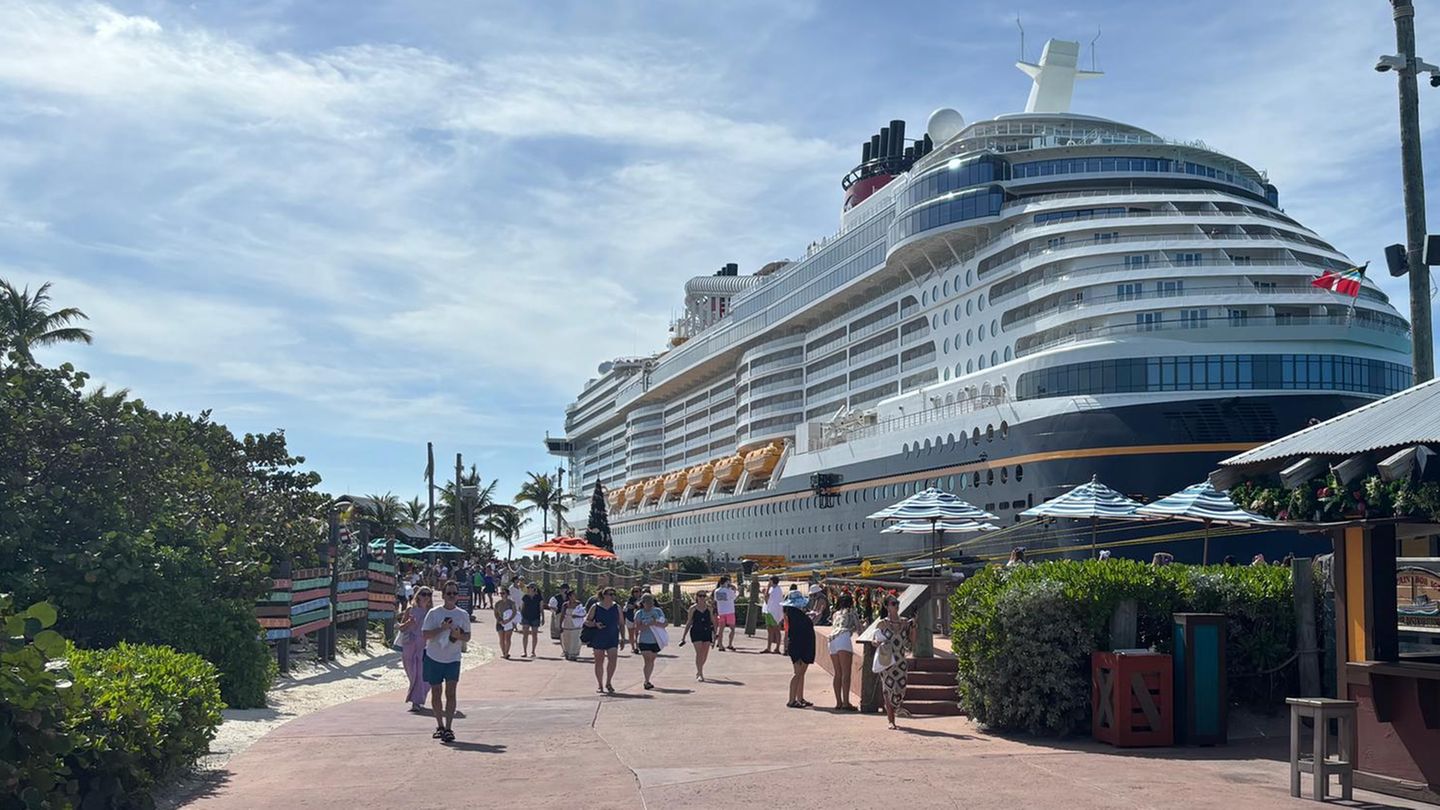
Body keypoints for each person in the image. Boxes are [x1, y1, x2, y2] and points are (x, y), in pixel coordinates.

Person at [421, 582, 471, 742]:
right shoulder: (434, 613)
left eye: (454, 593)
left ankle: (449, 728)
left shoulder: (463, 615)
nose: (451, 596)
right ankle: (439, 726)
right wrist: (442, 628)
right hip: (434, 657)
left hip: (453, 658)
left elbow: (468, 636)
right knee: (436, 692)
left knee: (451, 692)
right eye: (448, 593)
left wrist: (458, 636)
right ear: (443, 595)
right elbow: (425, 635)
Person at [874, 595, 916, 730]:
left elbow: (912, 642)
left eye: (897, 603)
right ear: (887, 606)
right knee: (887, 689)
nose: (896, 606)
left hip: (901, 661)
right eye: (893, 603)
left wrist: (914, 627)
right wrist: (878, 642)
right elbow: (874, 641)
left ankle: (896, 708)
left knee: (901, 689)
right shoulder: (882, 624)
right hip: (887, 661)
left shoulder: (904, 623)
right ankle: (891, 720)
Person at [398, 586, 432, 712]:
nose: (426, 597)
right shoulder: (410, 609)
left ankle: (416, 702)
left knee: (421, 675)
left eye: (428, 594)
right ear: (418, 595)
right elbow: (401, 628)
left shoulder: (431, 612)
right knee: (412, 674)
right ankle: (416, 698)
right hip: (409, 644)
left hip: (424, 646)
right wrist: (409, 623)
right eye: (423, 594)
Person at [585, 587, 622, 693]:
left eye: (614, 594)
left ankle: (608, 682)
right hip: (598, 636)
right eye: (610, 594)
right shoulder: (595, 607)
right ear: (604, 595)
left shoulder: (617, 607)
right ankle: (600, 685)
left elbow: (621, 623)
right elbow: (587, 621)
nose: (612, 596)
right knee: (599, 661)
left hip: (612, 636)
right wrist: (595, 624)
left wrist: (623, 637)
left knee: (613, 659)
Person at [782, 589, 815, 708]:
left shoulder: (793, 614)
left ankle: (799, 698)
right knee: (798, 673)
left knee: (801, 674)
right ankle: (791, 700)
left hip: (799, 646)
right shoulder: (797, 616)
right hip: (799, 647)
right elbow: (799, 633)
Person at [827, 592, 859, 711]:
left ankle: (839, 702)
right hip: (844, 637)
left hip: (832, 639)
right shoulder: (852, 612)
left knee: (837, 673)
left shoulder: (835, 614)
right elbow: (859, 629)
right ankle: (846, 702)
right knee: (846, 673)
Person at [632, 593, 667, 690]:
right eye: (647, 602)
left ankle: (648, 678)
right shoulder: (639, 613)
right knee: (647, 660)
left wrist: (656, 622)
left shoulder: (658, 611)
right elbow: (637, 628)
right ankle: (646, 681)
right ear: (642, 603)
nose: (649, 604)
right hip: (644, 640)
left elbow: (664, 623)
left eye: (651, 601)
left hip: (656, 640)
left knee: (651, 660)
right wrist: (648, 624)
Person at [679, 590, 715, 682]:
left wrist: (715, 633)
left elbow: (713, 621)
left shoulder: (709, 608)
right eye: (700, 596)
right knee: (699, 653)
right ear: (697, 597)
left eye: (704, 596)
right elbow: (689, 622)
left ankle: (699, 669)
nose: (702, 598)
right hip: (696, 631)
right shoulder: (693, 608)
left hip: (707, 631)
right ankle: (700, 673)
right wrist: (683, 637)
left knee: (705, 653)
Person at [712, 575, 739, 651]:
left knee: (721, 629)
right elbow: (734, 597)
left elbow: (716, 600)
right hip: (730, 611)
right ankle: (730, 644)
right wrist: (734, 590)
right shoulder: (729, 591)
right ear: (726, 582)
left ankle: (720, 645)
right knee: (732, 629)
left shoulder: (716, 591)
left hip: (721, 611)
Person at [492, 587, 518, 660]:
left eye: (503, 593)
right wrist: (499, 620)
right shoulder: (498, 603)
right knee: (501, 638)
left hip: (508, 622)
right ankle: (503, 652)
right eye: (501, 593)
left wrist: (509, 620)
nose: (501, 595)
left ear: (507, 594)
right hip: (500, 622)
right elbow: (496, 613)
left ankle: (507, 653)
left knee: (508, 638)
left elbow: (514, 612)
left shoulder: (511, 603)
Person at [519, 582, 544, 657]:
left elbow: (541, 609)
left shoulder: (539, 598)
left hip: (535, 617)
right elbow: (522, 607)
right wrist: (521, 617)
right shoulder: (525, 597)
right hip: (526, 616)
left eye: (530, 587)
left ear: (534, 588)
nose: (529, 589)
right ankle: (524, 651)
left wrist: (543, 618)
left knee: (534, 634)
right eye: (528, 588)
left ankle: (533, 651)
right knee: (525, 634)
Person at [762, 575, 784, 654]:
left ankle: (777, 648)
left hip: (773, 612)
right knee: (770, 630)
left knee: (776, 630)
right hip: (770, 611)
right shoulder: (775, 589)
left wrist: (766, 590)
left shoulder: (775, 590)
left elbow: (767, 599)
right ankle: (769, 647)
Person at [623, 586, 641, 653]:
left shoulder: (642, 599)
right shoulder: (630, 599)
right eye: (634, 591)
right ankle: (633, 647)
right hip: (630, 617)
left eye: (637, 591)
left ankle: (637, 647)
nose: (635, 593)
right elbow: (628, 606)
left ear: (640, 592)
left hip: (639, 619)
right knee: (631, 634)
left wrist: (636, 606)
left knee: (637, 634)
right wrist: (636, 606)